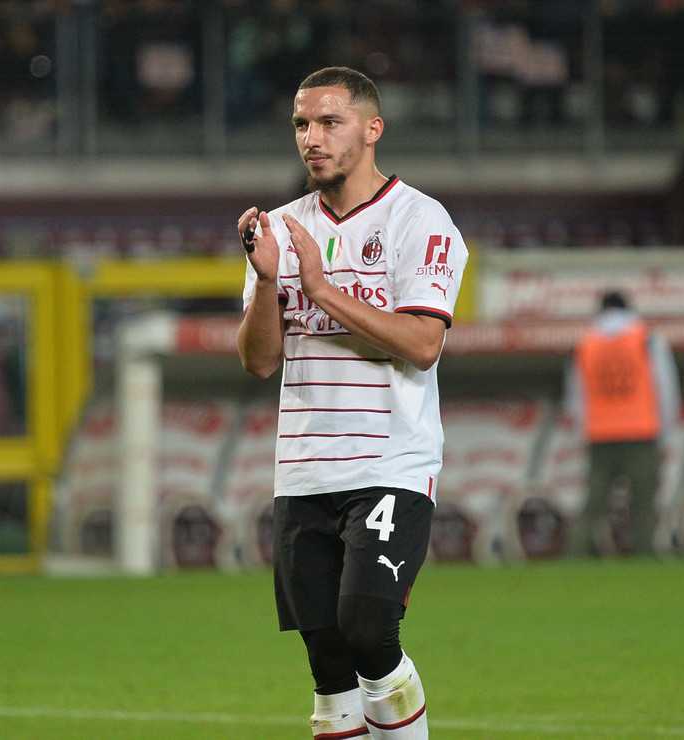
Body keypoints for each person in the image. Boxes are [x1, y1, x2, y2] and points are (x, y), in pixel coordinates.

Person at [236, 66, 466, 740]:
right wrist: (270, 282)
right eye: (302, 125)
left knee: (369, 629)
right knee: (328, 665)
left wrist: (321, 286)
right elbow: (259, 360)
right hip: (304, 469)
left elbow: (422, 343)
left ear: (372, 129)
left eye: (329, 122)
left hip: (390, 463)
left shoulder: (420, 220)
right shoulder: (278, 229)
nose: (312, 138)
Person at [563, 289, 680, 557]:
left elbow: (575, 395)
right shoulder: (647, 339)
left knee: (593, 503)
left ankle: (576, 554)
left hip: (600, 433)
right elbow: (665, 387)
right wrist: (666, 430)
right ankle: (644, 554)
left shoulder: (586, 343)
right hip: (641, 431)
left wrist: (581, 431)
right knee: (643, 503)